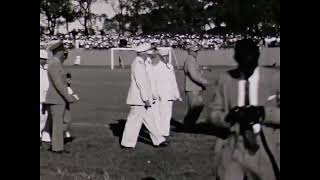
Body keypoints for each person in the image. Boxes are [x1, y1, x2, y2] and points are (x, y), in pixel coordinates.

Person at [203, 39, 280, 180]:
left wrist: (263, 113)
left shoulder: (275, 78)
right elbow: (212, 114)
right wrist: (228, 117)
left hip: (264, 147)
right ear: (236, 58)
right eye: (243, 63)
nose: (247, 69)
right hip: (233, 146)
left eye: (251, 64)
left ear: (258, 56)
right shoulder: (225, 79)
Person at [121, 43, 169, 149]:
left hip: (142, 99)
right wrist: (146, 99)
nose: (150, 53)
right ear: (144, 53)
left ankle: (159, 140)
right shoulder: (138, 64)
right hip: (139, 99)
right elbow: (141, 83)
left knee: (149, 120)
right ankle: (127, 143)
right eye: (149, 51)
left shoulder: (141, 62)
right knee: (134, 121)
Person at [45, 41, 79, 153]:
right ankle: (57, 148)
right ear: (58, 51)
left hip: (58, 98)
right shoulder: (54, 64)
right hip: (57, 98)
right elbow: (58, 83)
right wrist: (68, 97)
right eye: (62, 50)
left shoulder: (56, 63)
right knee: (58, 124)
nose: (64, 53)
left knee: (62, 122)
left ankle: (57, 145)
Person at [152, 48, 182, 137]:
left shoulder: (170, 66)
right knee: (160, 113)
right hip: (161, 94)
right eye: (163, 56)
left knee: (168, 114)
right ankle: (159, 131)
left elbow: (173, 82)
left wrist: (176, 94)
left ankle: (165, 132)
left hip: (169, 94)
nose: (165, 58)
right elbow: (154, 82)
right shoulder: (156, 67)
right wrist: (155, 94)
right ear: (160, 57)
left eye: (167, 56)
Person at [183, 44, 210, 130]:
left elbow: (195, 72)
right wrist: (204, 82)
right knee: (195, 107)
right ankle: (188, 126)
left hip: (194, 87)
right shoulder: (190, 60)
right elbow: (193, 75)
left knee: (196, 107)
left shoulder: (192, 60)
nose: (196, 53)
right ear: (190, 51)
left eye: (197, 51)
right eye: (195, 51)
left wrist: (203, 69)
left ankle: (189, 125)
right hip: (192, 88)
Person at [40, 49, 51, 146]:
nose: (44, 61)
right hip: (40, 97)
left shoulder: (47, 69)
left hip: (46, 96)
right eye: (43, 59)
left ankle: (45, 135)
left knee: (46, 116)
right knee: (41, 117)